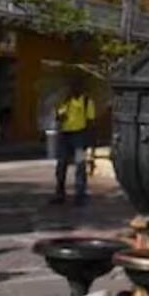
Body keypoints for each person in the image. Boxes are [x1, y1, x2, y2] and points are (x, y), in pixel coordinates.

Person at [51, 75, 95, 205]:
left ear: (81, 88)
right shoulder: (66, 101)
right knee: (61, 164)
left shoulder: (87, 101)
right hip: (65, 135)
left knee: (80, 165)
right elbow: (59, 118)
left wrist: (90, 142)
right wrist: (60, 113)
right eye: (72, 86)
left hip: (80, 136)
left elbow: (91, 122)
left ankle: (80, 194)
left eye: (76, 86)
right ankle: (59, 193)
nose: (73, 88)